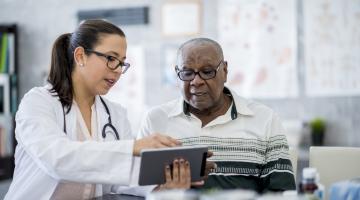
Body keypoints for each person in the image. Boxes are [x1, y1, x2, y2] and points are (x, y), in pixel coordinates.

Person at [5, 19, 194, 200]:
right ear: (80, 56)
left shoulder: (115, 114)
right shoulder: (38, 102)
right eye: (111, 58)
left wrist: (163, 186)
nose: (118, 70)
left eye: (121, 62)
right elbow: (57, 159)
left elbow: (121, 177)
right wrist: (132, 147)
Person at [138, 38, 296, 193]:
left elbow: (281, 193)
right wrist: (166, 190)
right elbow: (136, 191)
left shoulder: (264, 119)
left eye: (207, 72)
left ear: (225, 71)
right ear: (177, 74)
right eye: (187, 73)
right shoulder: (155, 120)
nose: (196, 81)